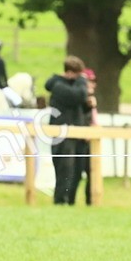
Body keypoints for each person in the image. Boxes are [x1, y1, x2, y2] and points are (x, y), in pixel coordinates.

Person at [45, 56, 89, 205]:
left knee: (76, 170)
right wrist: (82, 81)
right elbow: (79, 95)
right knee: (65, 169)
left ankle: (70, 200)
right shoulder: (59, 86)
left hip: (75, 134)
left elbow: (80, 104)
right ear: (70, 73)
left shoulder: (69, 85)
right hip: (62, 135)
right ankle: (60, 200)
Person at [73, 68, 98, 205]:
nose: (93, 84)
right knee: (77, 173)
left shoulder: (91, 100)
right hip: (81, 141)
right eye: (90, 81)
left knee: (92, 172)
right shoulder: (81, 99)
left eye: (94, 81)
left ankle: (91, 201)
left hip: (91, 141)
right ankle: (70, 201)